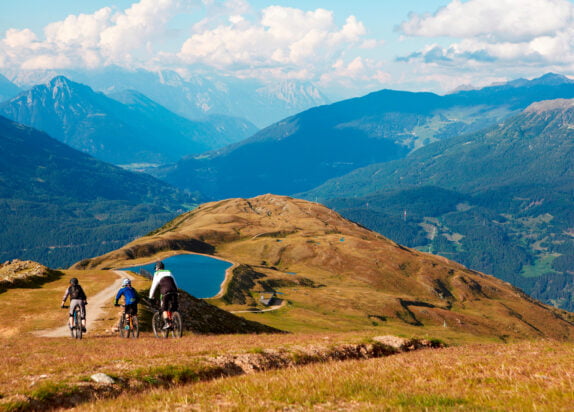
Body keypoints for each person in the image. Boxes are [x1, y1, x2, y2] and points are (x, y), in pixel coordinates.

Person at [149, 261, 179, 329]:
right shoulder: (169, 272)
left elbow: (153, 287)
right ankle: (173, 321)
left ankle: (168, 323)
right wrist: (177, 292)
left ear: (157, 268)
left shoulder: (156, 274)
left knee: (164, 308)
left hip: (165, 291)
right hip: (174, 291)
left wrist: (150, 297)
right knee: (174, 308)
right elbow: (175, 284)